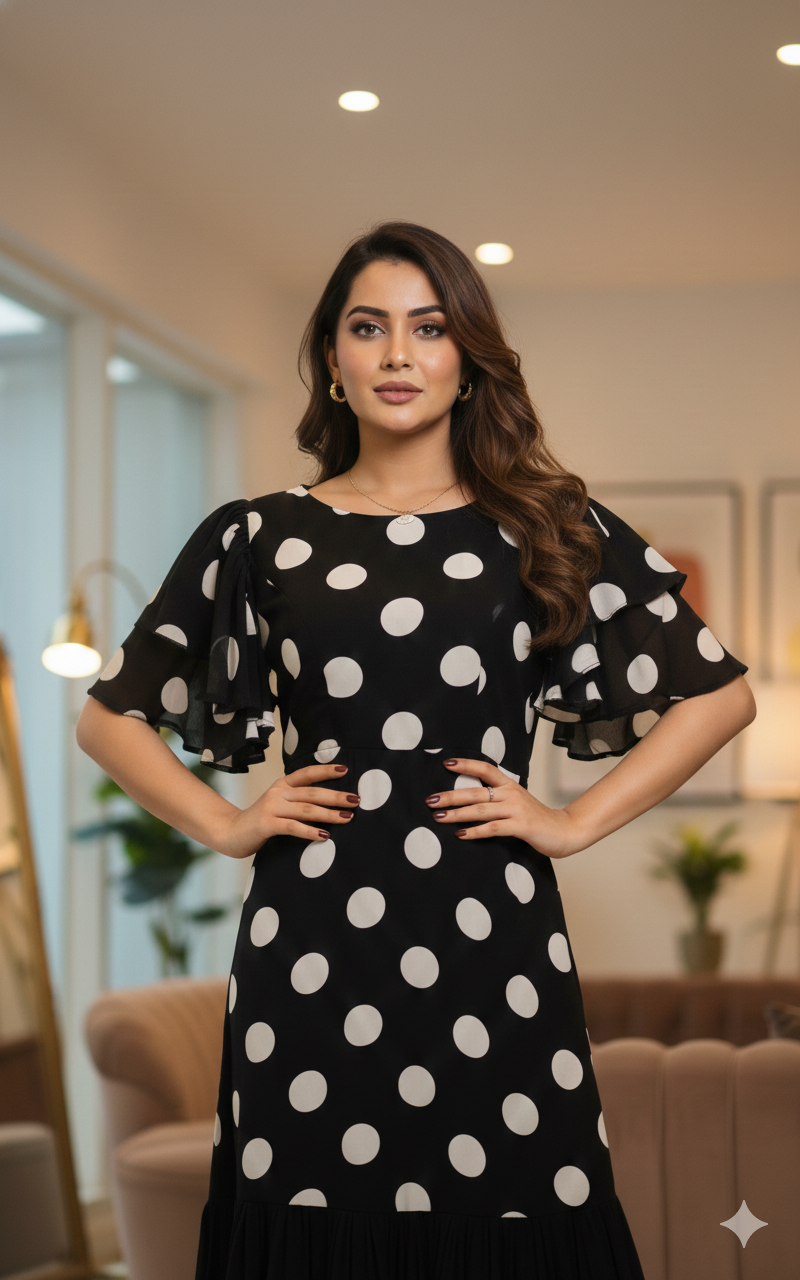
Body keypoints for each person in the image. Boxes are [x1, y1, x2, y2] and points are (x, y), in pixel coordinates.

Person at [77, 221, 755, 1279]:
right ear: (334, 363)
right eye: (368, 327)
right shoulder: (259, 535)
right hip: (309, 944)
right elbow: (107, 713)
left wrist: (570, 820)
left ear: (464, 360)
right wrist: (224, 820)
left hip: (494, 942)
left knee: (518, 1203)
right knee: (308, 1204)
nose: (397, 353)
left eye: (427, 327)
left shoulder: (540, 525)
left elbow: (717, 693)